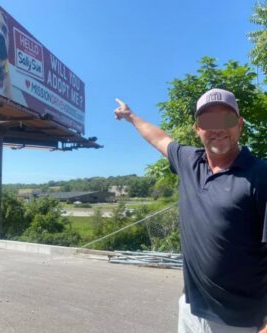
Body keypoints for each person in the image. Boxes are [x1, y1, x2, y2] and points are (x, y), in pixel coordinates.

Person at [114, 88, 267, 333]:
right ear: (198, 129)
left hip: (240, 321)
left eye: (226, 120)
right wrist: (131, 116)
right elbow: (160, 139)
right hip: (191, 310)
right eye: (208, 121)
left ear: (239, 125)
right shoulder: (190, 162)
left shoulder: (260, 175)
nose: (217, 129)